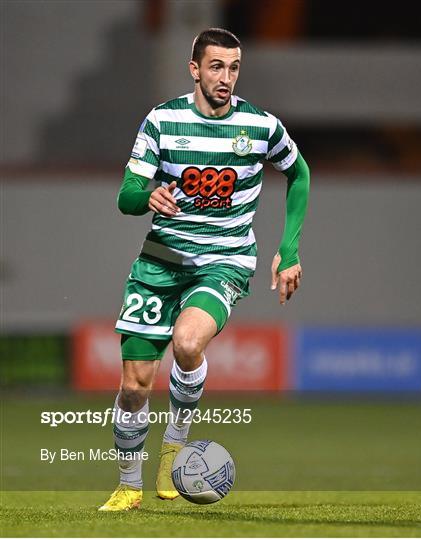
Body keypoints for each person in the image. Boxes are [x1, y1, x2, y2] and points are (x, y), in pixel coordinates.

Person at [99, 27, 310, 511]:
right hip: (161, 260)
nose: (226, 77)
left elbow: (299, 172)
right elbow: (126, 196)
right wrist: (146, 195)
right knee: (134, 385)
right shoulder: (161, 121)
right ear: (194, 69)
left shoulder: (260, 127)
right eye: (217, 66)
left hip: (224, 261)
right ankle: (128, 486)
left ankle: (174, 446)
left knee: (189, 343)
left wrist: (290, 248)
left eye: (234, 67)